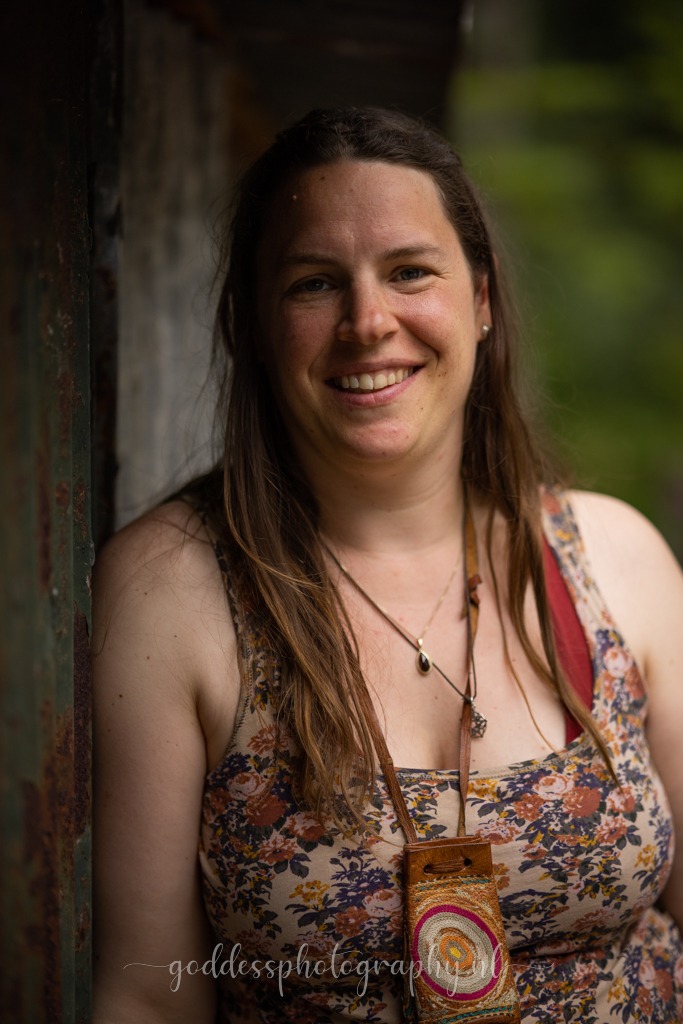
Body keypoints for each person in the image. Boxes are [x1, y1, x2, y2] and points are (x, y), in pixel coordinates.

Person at [92, 107, 683, 1023]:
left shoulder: (616, 559)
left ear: (481, 302)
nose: (368, 322)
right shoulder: (167, 591)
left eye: (409, 271)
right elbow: (146, 997)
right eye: (314, 284)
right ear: (250, 324)